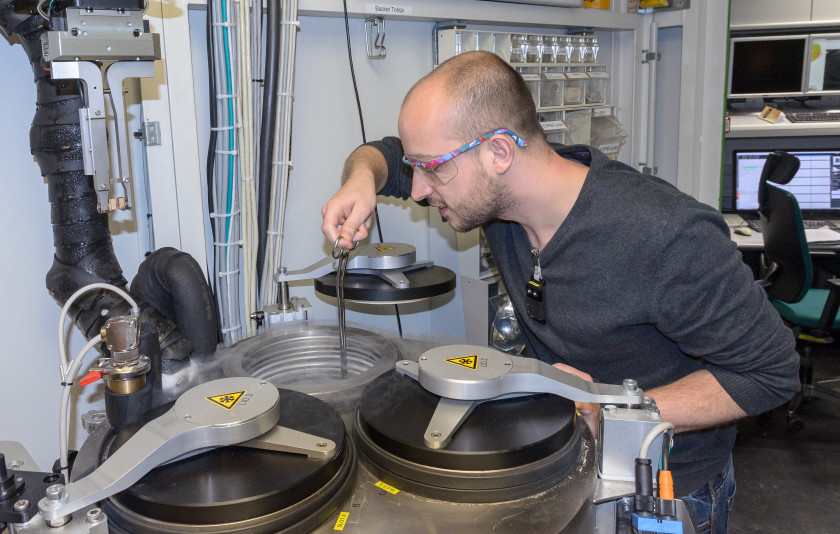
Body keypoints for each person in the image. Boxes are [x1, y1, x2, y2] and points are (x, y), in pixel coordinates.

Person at [321, 51, 799, 534]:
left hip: (665, 485)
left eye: (430, 169)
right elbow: (380, 155)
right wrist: (361, 180)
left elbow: (770, 373)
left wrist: (606, 409)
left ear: (499, 153)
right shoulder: (500, 198)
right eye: (414, 167)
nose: (419, 189)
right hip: (568, 463)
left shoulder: (664, 233)